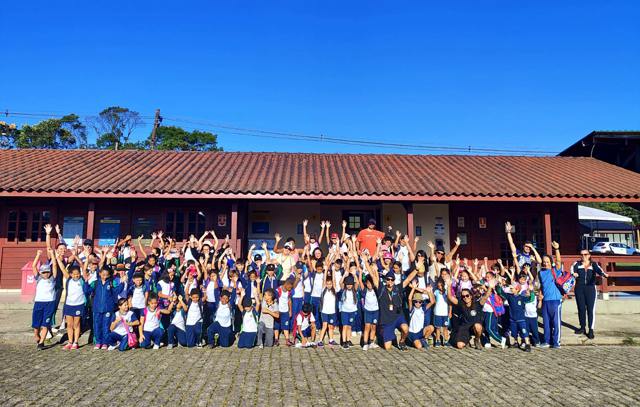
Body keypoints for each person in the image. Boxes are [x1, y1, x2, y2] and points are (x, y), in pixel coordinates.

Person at [571, 249, 608, 339]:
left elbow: (599, 271)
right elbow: (572, 271)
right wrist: (574, 274)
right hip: (579, 288)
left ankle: (591, 329)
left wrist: (604, 274)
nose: (583, 256)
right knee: (581, 309)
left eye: (585, 254)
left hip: (590, 289)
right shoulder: (576, 264)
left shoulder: (594, 264)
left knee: (590, 310)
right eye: (582, 254)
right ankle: (582, 327)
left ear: (589, 255)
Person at [446, 281, 493, 350]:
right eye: (463, 296)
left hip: (475, 326)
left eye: (467, 295)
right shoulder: (461, 304)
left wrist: (490, 287)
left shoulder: (477, 304)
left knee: (477, 326)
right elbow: (450, 297)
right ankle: (467, 340)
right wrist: (449, 285)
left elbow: (486, 296)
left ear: (471, 296)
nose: (465, 297)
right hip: (465, 327)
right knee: (459, 345)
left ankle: (477, 340)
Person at [537, 242, 563, 349]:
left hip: (556, 300)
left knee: (556, 322)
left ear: (550, 262)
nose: (545, 263)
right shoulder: (541, 273)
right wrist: (541, 297)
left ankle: (556, 342)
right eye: (544, 262)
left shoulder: (555, 271)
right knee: (546, 323)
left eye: (547, 262)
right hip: (546, 300)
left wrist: (556, 249)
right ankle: (547, 341)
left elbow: (558, 261)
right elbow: (542, 287)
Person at [31, 250, 58, 350]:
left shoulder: (52, 279)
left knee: (45, 323)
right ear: (41, 272)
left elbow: (54, 266)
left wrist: (52, 256)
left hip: (50, 302)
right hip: (39, 302)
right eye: (44, 272)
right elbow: (34, 266)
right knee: (36, 324)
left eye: (47, 272)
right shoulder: (38, 278)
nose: (46, 274)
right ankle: (37, 336)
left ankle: (41, 343)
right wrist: (38, 255)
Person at [378, 273, 409, 350]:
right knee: (387, 347)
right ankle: (386, 333)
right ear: (385, 280)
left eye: (392, 279)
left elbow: (408, 280)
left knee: (405, 328)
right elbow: (373, 276)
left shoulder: (397, 288)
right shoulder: (381, 289)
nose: (390, 281)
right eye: (388, 279)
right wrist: (366, 262)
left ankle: (402, 341)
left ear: (394, 281)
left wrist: (417, 269)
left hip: (398, 316)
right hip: (387, 319)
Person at [407, 285, 435, 350]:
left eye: (420, 302)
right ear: (414, 302)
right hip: (412, 333)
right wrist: (413, 288)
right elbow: (409, 299)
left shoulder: (423, 308)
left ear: (422, 302)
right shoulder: (412, 309)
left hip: (420, 331)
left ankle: (423, 339)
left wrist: (428, 292)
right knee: (419, 346)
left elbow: (432, 302)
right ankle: (412, 341)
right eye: (416, 301)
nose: (418, 303)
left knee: (431, 327)